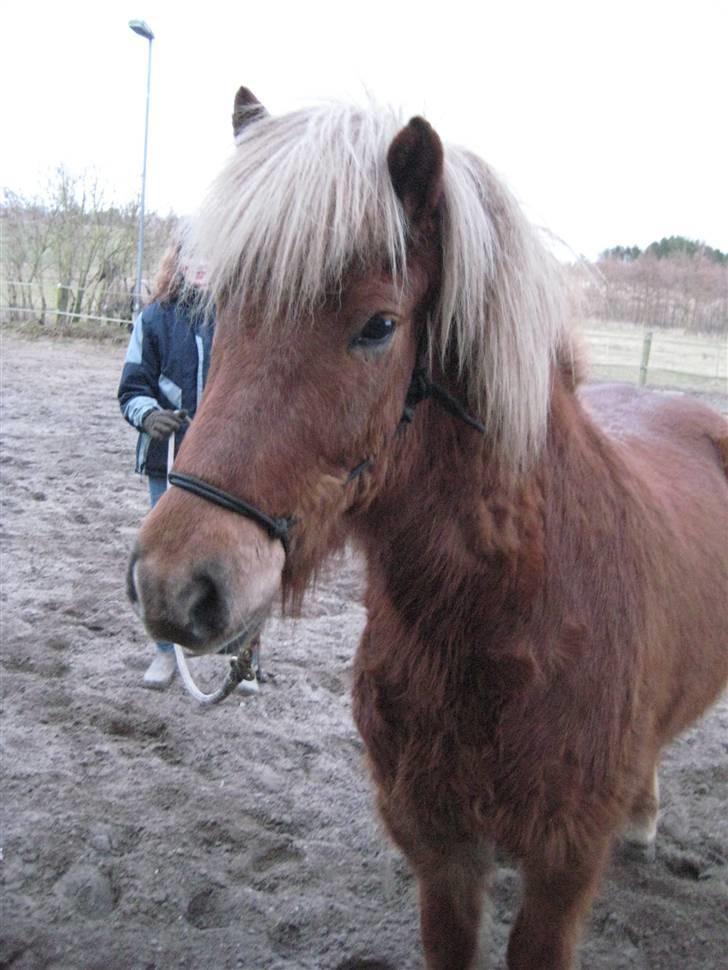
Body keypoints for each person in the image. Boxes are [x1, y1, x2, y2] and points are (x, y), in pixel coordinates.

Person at [118, 239, 214, 688]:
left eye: (210, 254)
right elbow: (132, 386)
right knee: (166, 554)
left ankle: (246, 654)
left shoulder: (238, 319)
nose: (201, 264)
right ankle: (164, 654)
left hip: (222, 466)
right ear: (178, 261)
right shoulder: (153, 319)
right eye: (192, 254)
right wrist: (149, 415)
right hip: (168, 458)